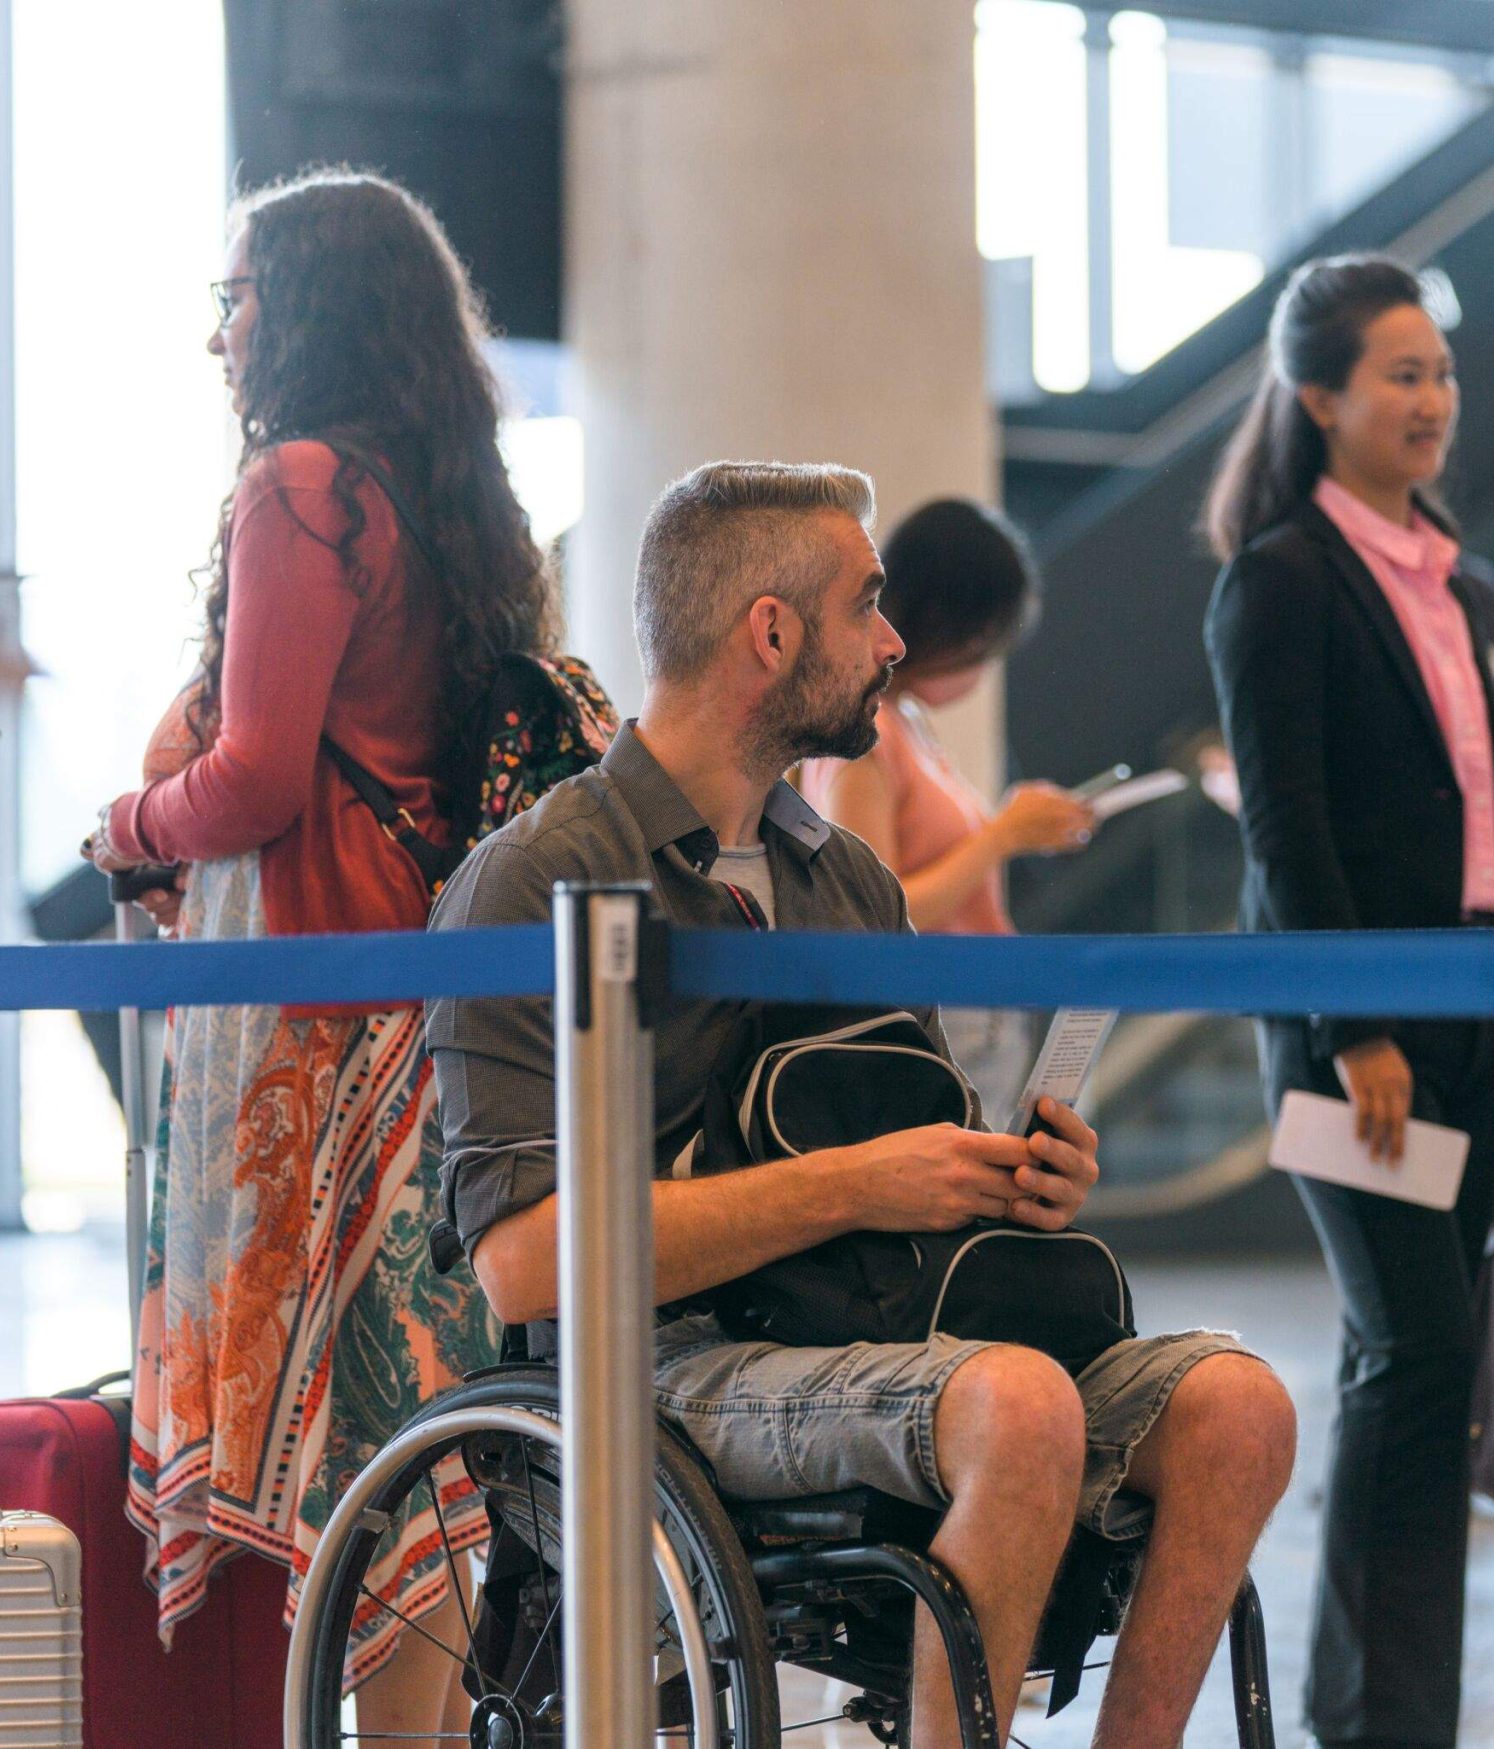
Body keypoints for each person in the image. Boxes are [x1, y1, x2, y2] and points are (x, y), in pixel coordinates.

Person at [428, 461, 1298, 1749]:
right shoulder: (535, 879)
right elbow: (518, 1264)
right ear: (769, 633)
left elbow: (894, 1131)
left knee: (1241, 1407)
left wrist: (1011, 1178)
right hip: (666, 1359)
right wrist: (862, 1184)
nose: (895, 641)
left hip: (883, 1316)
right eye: (867, 606)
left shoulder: (847, 881)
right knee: (1021, 1404)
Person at [85, 169, 561, 1734]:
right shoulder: (449, 490)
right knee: (412, 1421)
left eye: (235, 297)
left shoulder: (299, 486)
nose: (219, 335)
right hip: (430, 1006)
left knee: (344, 1437)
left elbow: (258, 781)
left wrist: (129, 822)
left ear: (303, 306)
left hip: (303, 1007)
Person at [1202, 251, 1494, 1749]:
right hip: (1353, 1034)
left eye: (1441, 374)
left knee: (1431, 1370)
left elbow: (1492, 812)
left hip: (1476, 1014)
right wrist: (1354, 1023)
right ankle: (1368, 1723)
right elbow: (1285, 824)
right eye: (1400, 376)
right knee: (1410, 1349)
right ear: (1321, 399)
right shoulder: (1278, 580)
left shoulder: (1461, 579)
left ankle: (1406, 1712)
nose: (1433, 401)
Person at [803, 497, 1095, 1122]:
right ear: (947, 625)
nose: (983, 668)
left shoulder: (906, 721)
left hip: (969, 1008)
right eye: (983, 645)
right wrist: (998, 839)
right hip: (935, 1017)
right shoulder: (867, 732)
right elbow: (874, 914)